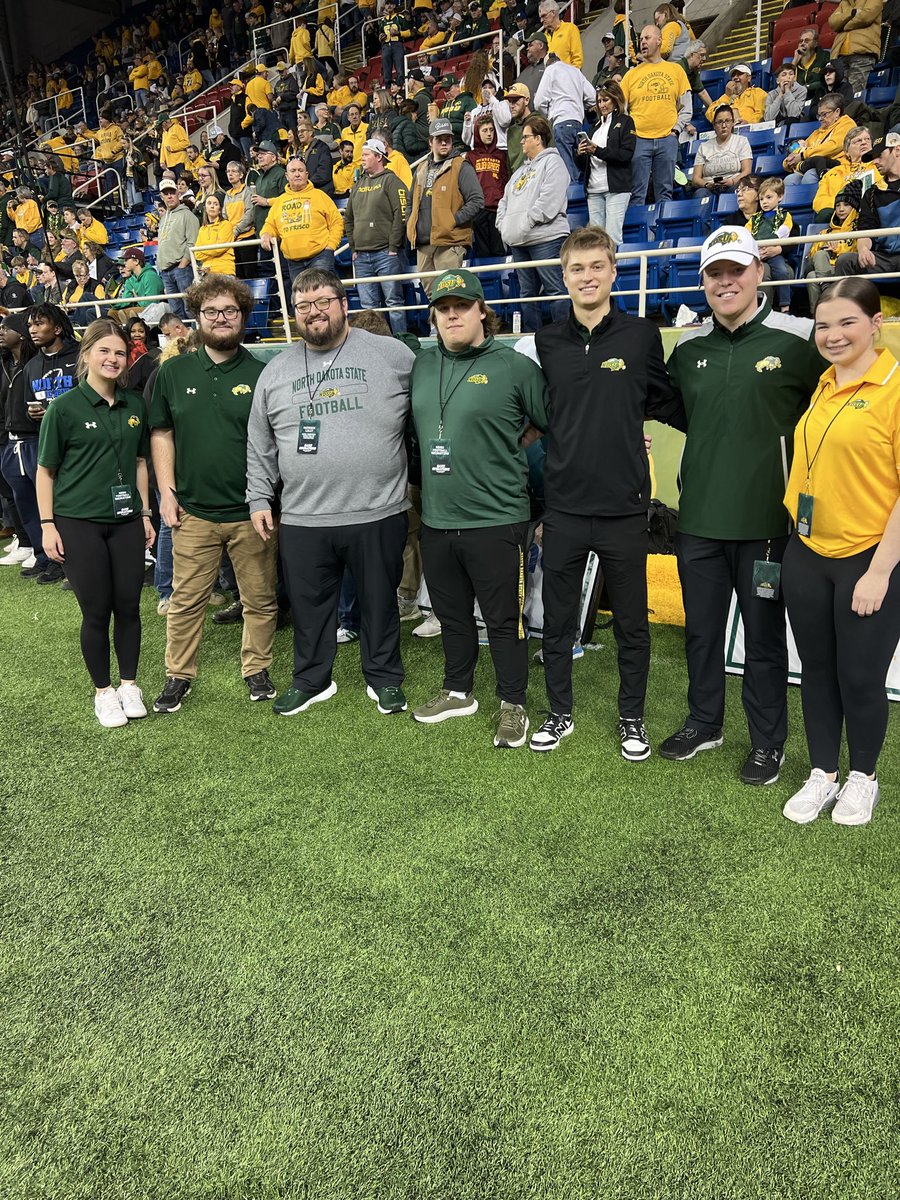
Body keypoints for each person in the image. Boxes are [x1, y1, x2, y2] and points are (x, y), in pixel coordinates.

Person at [661, 227, 825, 785]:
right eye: (715, 273)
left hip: (767, 526)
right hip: (699, 521)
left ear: (759, 272)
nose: (726, 282)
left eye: (736, 270)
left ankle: (767, 743)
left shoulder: (800, 339)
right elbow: (681, 413)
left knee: (763, 640)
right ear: (703, 281)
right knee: (701, 633)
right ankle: (704, 722)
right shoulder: (687, 351)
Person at [517, 226, 684, 756]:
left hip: (624, 509)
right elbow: (540, 416)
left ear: (613, 272)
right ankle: (559, 713)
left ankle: (632, 718)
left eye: (596, 267)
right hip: (564, 508)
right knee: (557, 622)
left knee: (632, 625)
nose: (587, 277)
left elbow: (663, 401)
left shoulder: (641, 335)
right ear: (563, 276)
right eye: (576, 269)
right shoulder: (546, 341)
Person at [246, 268, 414, 718]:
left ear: (343, 304)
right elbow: (260, 441)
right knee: (310, 607)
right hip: (303, 516)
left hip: (378, 509)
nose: (314, 312)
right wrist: (259, 497)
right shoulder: (276, 370)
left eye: (323, 302)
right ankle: (312, 679)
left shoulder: (391, 354)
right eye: (303, 306)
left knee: (379, 602)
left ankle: (384, 677)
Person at [409, 269, 549, 746]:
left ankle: (513, 704)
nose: (452, 315)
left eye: (461, 306)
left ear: (481, 312)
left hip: (497, 519)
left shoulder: (513, 366)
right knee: (451, 615)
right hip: (437, 519)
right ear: (434, 316)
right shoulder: (423, 365)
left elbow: (553, 420)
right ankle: (458, 691)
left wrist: (519, 441)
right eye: (443, 308)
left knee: (504, 620)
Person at [781, 277, 900, 826]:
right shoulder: (825, 384)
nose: (833, 335)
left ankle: (863, 777)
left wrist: (880, 571)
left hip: (868, 558)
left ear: (876, 323)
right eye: (823, 325)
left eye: (847, 322)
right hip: (808, 552)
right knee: (816, 672)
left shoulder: (894, 389)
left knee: (859, 677)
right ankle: (823, 773)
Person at [150, 274, 278, 713]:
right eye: (211, 311)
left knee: (259, 600)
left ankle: (257, 668)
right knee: (186, 602)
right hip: (193, 512)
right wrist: (166, 493)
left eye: (230, 311)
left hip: (252, 512)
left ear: (243, 316)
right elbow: (161, 432)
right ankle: (178, 676)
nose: (221, 319)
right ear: (197, 316)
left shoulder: (263, 374)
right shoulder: (173, 372)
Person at [35, 319, 155, 727]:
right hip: (78, 522)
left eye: (120, 352)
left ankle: (129, 685)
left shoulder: (135, 405)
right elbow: (46, 472)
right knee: (97, 611)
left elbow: (140, 462)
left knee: (129, 606)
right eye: (104, 350)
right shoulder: (63, 408)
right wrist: (47, 524)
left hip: (126, 521)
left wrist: (145, 513)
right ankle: (104, 692)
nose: (113, 359)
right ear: (86, 355)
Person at [496, 114, 569, 331]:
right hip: (519, 241)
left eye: (526, 137)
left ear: (538, 139)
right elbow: (503, 201)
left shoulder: (554, 163)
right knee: (527, 295)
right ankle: (532, 339)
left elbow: (549, 202)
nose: (521, 141)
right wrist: (504, 225)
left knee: (555, 291)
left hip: (546, 238)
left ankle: (564, 337)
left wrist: (525, 223)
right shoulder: (519, 171)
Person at [407, 117, 483, 292]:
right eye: (439, 139)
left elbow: (477, 200)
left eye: (447, 139)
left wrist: (452, 220)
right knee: (432, 296)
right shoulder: (420, 168)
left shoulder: (461, 166)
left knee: (450, 294)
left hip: (450, 243)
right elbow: (411, 202)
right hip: (423, 243)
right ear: (430, 142)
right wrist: (411, 224)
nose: (443, 143)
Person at [344, 138, 410, 334]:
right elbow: (348, 217)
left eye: (366, 155)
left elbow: (402, 213)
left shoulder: (391, 181)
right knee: (368, 309)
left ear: (379, 157)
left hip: (386, 254)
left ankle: (400, 342)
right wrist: (353, 248)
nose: (362, 158)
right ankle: (374, 345)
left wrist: (393, 246)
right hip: (361, 256)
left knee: (394, 303)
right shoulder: (358, 184)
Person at [621, 24, 691, 207]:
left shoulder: (676, 70)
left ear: (659, 40)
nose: (642, 42)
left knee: (665, 193)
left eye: (647, 38)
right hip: (639, 140)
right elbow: (622, 110)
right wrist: (630, 134)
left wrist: (675, 131)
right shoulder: (630, 75)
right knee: (637, 194)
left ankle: (662, 226)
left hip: (667, 139)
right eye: (641, 39)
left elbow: (686, 107)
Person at [260, 156, 344, 284]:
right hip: (293, 262)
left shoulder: (320, 196)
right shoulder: (280, 201)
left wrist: (330, 246)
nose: (297, 174)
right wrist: (265, 234)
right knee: (302, 296)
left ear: (306, 174)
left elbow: (336, 222)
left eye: (300, 170)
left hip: (320, 256)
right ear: (287, 176)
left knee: (320, 292)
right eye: (293, 171)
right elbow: (270, 225)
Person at [835, 132, 900, 284]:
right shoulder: (871, 193)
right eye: (873, 157)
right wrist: (863, 249)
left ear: (897, 150)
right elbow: (866, 229)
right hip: (882, 258)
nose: (875, 161)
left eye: (879, 155)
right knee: (846, 261)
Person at [577, 81, 634, 243]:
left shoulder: (626, 121)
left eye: (606, 100)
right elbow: (583, 166)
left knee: (613, 238)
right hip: (593, 189)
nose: (602, 105)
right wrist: (580, 154)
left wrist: (597, 150)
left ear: (615, 99)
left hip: (616, 188)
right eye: (599, 101)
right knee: (596, 241)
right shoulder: (594, 127)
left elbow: (626, 155)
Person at [533, 50, 596, 184]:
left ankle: (572, 195)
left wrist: (549, 114)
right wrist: (580, 104)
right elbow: (592, 97)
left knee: (567, 171)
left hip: (561, 122)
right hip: (578, 124)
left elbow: (538, 102)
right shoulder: (575, 71)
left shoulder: (550, 70)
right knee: (579, 165)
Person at [804, 186, 859, 309]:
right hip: (823, 267)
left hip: (841, 270)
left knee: (812, 277)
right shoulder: (826, 232)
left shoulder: (858, 230)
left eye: (846, 205)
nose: (841, 209)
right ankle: (827, 290)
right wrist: (824, 247)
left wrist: (837, 248)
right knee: (820, 254)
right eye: (838, 205)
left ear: (854, 208)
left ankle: (818, 312)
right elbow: (811, 255)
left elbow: (856, 252)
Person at [782, 94, 855, 182]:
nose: (820, 119)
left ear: (837, 112)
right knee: (789, 180)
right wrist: (789, 161)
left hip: (838, 167)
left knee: (810, 175)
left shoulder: (847, 125)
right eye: (819, 115)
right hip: (813, 166)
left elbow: (832, 147)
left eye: (824, 114)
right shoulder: (817, 132)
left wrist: (802, 155)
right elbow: (802, 148)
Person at [465, 114, 509, 258]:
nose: (489, 133)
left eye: (491, 130)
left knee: (499, 252)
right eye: (484, 130)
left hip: (497, 209)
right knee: (482, 253)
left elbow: (505, 180)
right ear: (477, 133)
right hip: (479, 210)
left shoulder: (502, 155)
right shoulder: (471, 156)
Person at [156, 178, 200, 319]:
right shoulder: (163, 219)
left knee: (190, 308)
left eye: (172, 193)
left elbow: (193, 243)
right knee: (176, 312)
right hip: (166, 271)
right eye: (166, 194)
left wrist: (182, 265)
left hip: (181, 269)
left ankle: (196, 333)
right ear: (162, 197)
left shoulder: (188, 215)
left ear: (178, 194)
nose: (169, 196)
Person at [750, 177, 795, 312]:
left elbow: (785, 229)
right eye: (761, 199)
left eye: (769, 197)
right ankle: (757, 309)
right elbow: (747, 232)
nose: (764, 202)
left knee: (782, 271)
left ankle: (785, 305)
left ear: (780, 197)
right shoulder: (755, 218)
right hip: (757, 253)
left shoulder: (784, 215)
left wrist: (773, 240)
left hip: (774, 251)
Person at [691, 104, 752, 200]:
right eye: (720, 122)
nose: (724, 126)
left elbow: (747, 171)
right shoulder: (704, 147)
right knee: (700, 194)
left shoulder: (742, 141)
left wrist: (732, 181)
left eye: (727, 121)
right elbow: (695, 178)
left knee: (737, 190)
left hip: (733, 184)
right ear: (714, 125)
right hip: (709, 188)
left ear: (733, 123)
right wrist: (707, 184)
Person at [828, 0, 883, 95]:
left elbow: (865, 17)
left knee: (854, 93)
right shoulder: (844, 2)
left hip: (862, 53)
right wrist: (852, 13)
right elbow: (833, 22)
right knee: (839, 96)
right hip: (839, 55)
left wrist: (844, 25)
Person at [195, 193, 237, 275]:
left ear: (220, 210)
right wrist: (212, 252)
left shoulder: (226, 225)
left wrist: (203, 250)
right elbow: (197, 254)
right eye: (209, 203)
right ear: (205, 208)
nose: (212, 206)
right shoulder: (202, 229)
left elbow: (218, 249)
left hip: (224, 271)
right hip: (207, 272)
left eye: (215, 204)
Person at [538, 0, 583, 69]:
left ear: (553, 13)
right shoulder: (543, 37)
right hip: (550, 75)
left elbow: (577, 59)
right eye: (540, 17)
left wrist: (572, 74)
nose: (541, 20)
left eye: (544, 16)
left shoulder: (570, 28)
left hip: (568, 74)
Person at [793, 26, 831, 102]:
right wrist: (794, 61)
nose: (803, 44)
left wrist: (807, 87)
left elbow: (826, 80)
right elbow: (786, 83)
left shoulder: (824, 56)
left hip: (819, 98)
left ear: (815, 44)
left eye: (806, 41)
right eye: (801, 41)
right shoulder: (796, 62)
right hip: (799, 100)